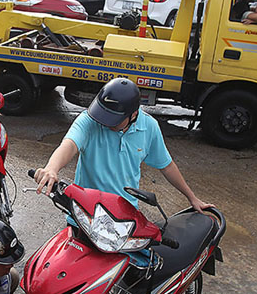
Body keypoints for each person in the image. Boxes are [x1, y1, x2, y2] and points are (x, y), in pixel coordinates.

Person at [33, 78, 212, 214]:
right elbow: (69, 145)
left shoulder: (149, 127)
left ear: (133, 114)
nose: (104, 121)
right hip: (84, 210)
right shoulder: (89, 120)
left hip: (123, 213)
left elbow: (166, 166)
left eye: (113, 119)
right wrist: (51, 169)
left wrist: (192, 198)